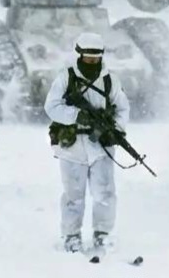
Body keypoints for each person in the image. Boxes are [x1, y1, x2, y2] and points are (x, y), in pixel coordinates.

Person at [44, 32, 130, 254]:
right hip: (72, 146)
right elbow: (51, 107)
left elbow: (122, 108)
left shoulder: (110, 80)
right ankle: (71, 236)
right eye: (88, 57)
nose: (92, 61)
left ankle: (103, 234)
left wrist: (115, 130)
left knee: (105, 193)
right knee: (73, 195)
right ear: (80, 54)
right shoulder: (66, 78)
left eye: (96, 57)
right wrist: (76, 115)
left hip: (101, 146)